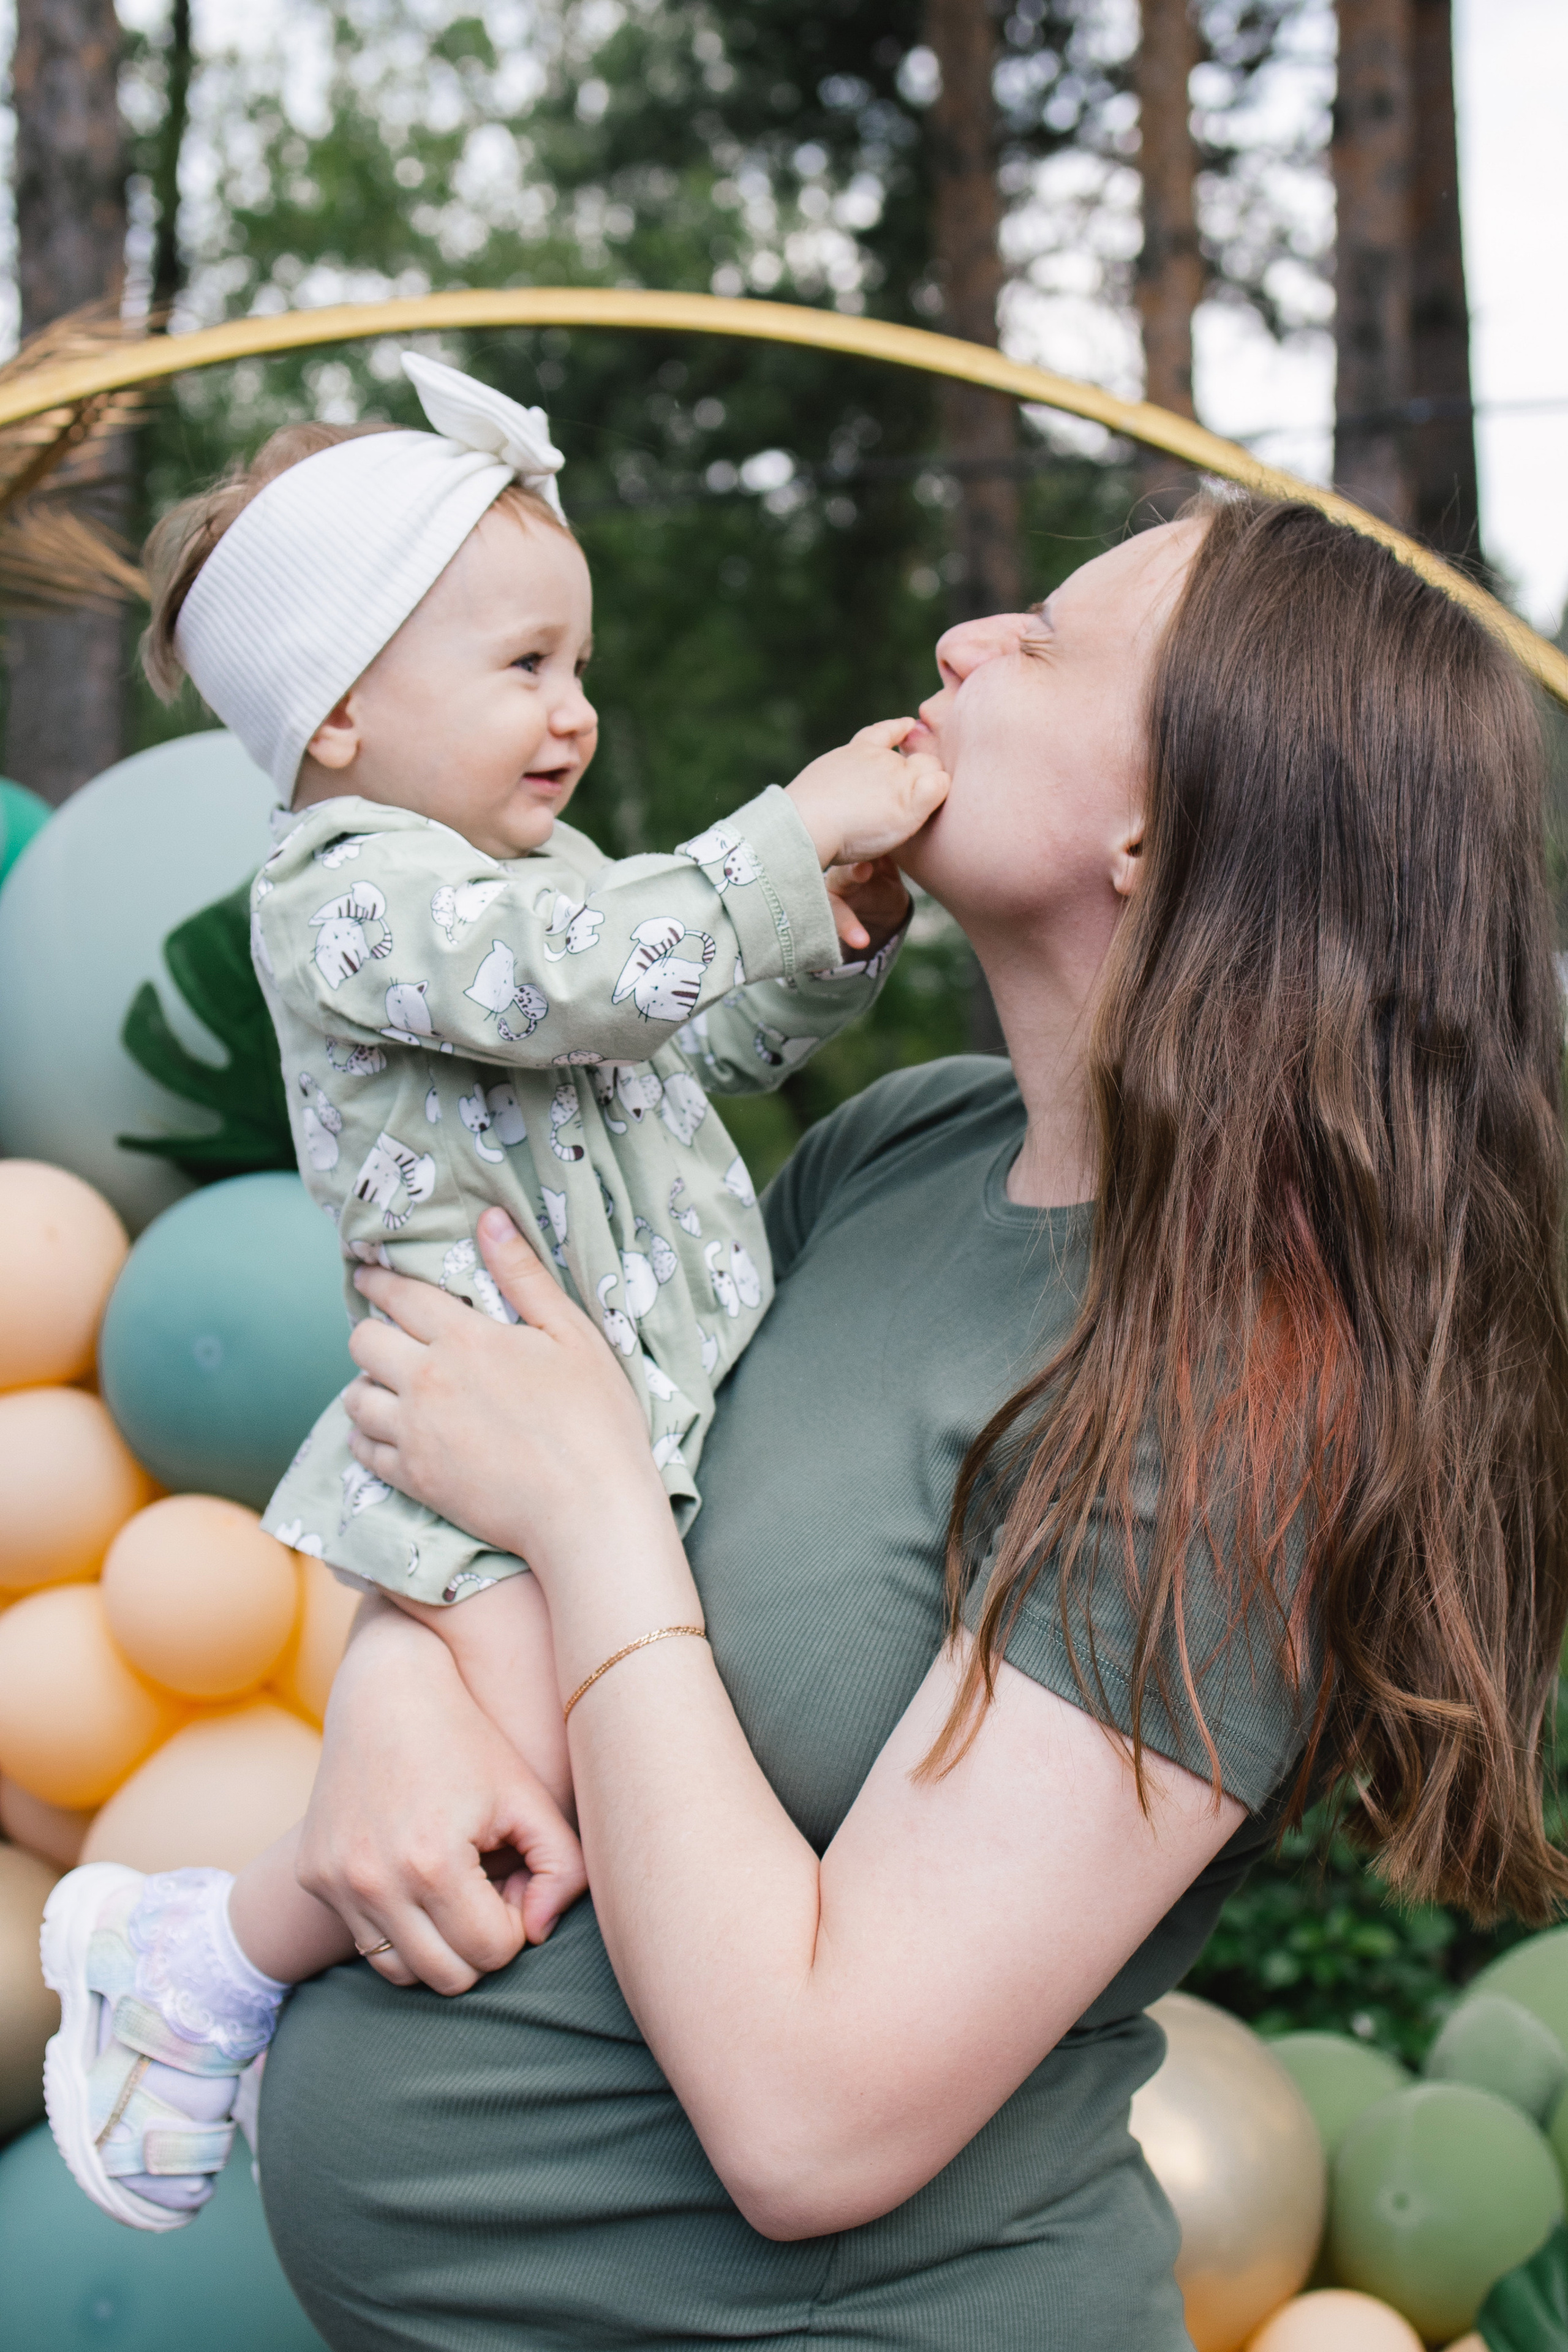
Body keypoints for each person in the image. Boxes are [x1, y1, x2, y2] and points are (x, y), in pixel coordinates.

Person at [192, 495, 1568, 2348]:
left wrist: (590, 1521)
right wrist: (394, 1691)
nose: (962, 644)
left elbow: (812, 2119)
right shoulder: (907, 1148)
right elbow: (528, 1422)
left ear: (1159, 831)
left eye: (1049, 642)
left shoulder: (1252, 1394)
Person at [37, 355, 947, 2235]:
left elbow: (686, 1034)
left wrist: (828, 945)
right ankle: (200, 1952)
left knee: (558, 1798)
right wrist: (789, 828)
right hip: (490, 1466)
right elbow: (597, 974)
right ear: (346, 712)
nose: (578, 714)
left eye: (579, 667)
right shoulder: (354, 896)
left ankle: (271, 1974)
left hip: (610, 1435)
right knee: (531, 1796)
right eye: (523, 666)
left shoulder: (553, 888)